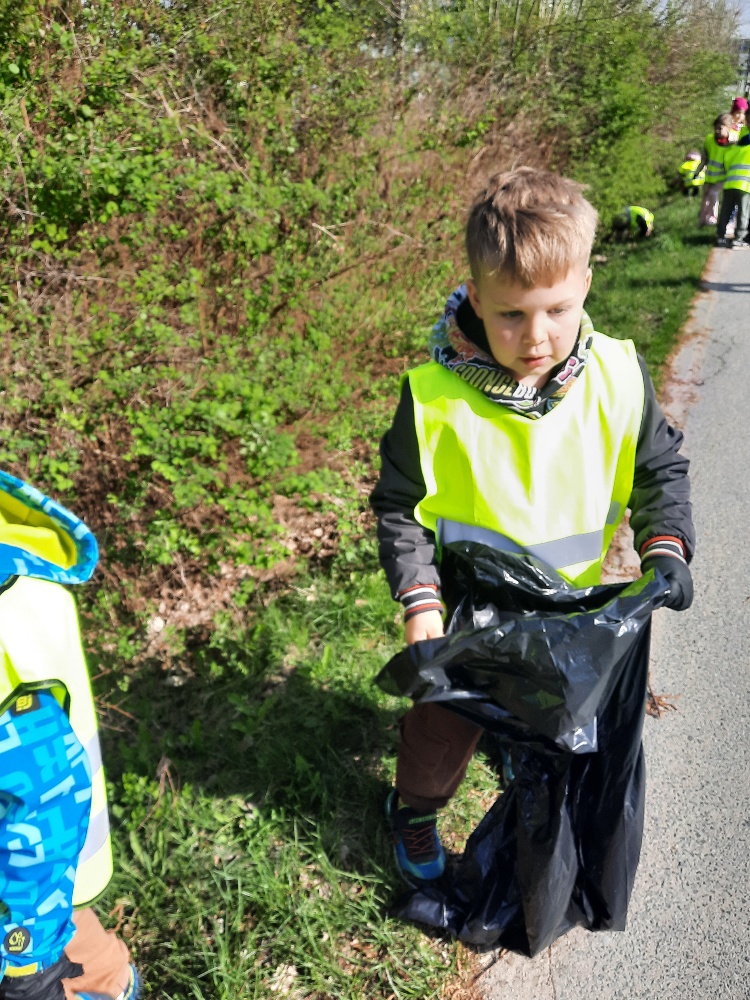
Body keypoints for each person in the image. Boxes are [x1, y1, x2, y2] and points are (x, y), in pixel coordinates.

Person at [370, 167, 694, 883]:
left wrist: (665, 545)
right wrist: (420, 602)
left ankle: (516, 744)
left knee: (544, 714)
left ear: (585, 283)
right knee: (443, 730)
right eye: (511, 315)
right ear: (475, 296)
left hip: (567, 608)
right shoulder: (432, 398)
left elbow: (659, 469)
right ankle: (415, 810)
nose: (536, 337)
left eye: (556, 310)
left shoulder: (617, 375)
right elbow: (399, 508)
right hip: (466, 612)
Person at [0, 471, 140, 1000]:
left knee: (80, 959)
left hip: (29, 900)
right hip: (39, 889)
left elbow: (44, 803)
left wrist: (27, 962)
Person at [716, 126, 750, 248]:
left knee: (726, 211)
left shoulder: (734, 149)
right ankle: (738, 239)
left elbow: (727, 163)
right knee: (743, 213)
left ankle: (720, 237)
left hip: (730, 183)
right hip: (745, 186)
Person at [696, 113, 733, 226]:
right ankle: (703, 219)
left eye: (720, 128)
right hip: (710, 176)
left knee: (713, 194)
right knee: (705, 196)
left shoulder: (732, 143)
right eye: (716, 128)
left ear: (729, 128)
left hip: (722, 177)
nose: (717, 131)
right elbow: (704, 158)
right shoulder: (710, 140)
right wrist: (697, 172)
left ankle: (713, 217)